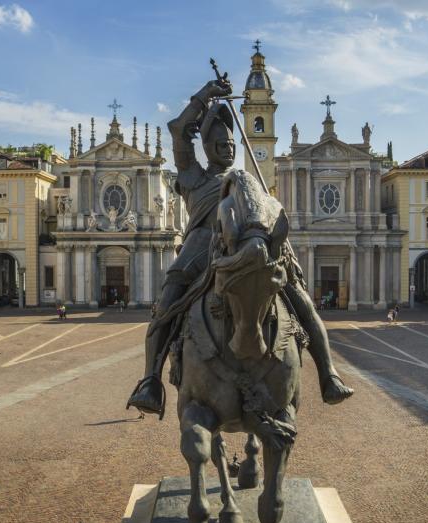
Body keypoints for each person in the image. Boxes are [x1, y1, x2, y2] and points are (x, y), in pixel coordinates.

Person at [126, 77, 351, 418]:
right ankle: (150, 381)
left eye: (231, 143)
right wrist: (204, 95)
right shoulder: (192, 175)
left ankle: (328, 374)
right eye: (220, 143)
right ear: (206, 147)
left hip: (248, 242)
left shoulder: (249, 182)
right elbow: (178, 129)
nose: (228, 147)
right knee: (168, 300)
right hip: (201, 246)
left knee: (299, 296)